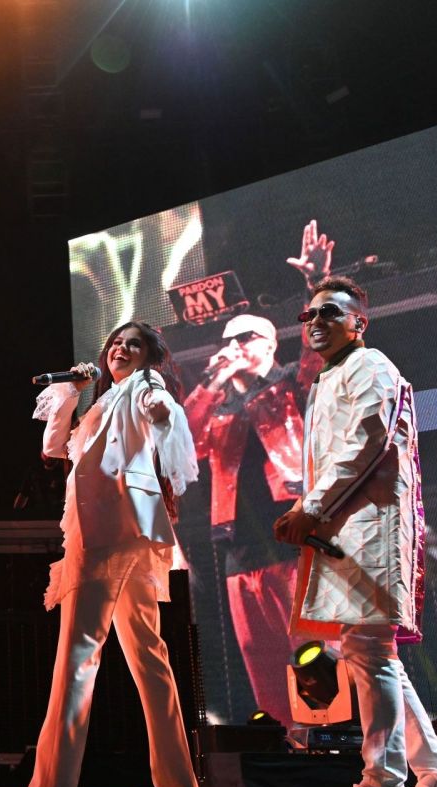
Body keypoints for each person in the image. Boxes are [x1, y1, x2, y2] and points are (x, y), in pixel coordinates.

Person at [273, 275, 437, 787]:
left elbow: (368, 439)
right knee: (369, 651)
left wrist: (312, 507)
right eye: (308, 315)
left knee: (371, 649)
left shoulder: (372, 366)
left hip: (368, 526)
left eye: (330, 314)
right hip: (347, 526)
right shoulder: (331, 376)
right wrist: (311, 506)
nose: (315, 322)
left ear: (358, 323)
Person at [11, 322, 203, 787]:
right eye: (116, 343)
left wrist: (159, 407)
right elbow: (56, 448)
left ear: (148, 357)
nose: (121, 349)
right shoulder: (103, 404)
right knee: (149, 662)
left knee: (77, 659)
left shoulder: (142, 388)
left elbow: (160, 413)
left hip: (108, 538)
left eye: (133, 344)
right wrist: (72, 390)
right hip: (118, 536)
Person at [182, 221, 331, 724]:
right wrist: (209, 380)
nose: (233, 345)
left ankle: (335, 741)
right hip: (237, 547)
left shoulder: (290, 385)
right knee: (262, 659)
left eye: (244, 336)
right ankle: (284, 740)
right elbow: (178, 440)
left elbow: (320, 353)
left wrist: (317, 288)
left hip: (290, 534)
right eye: (226, 340)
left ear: (269, 344)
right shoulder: (217, 406)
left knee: (316, 654)